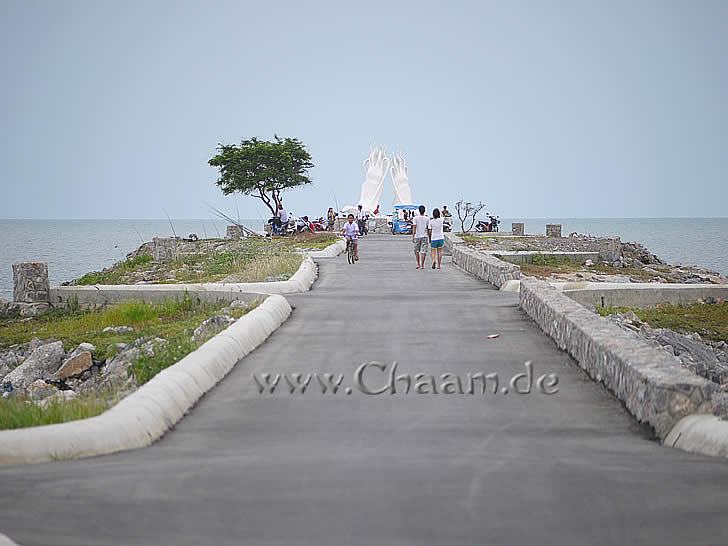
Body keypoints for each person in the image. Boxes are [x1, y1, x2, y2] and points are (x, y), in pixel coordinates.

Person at [412, 205, 429, 269]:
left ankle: (418, 264)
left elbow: (414, 227)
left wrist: (413, 236)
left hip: (417, 236)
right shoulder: (427, 218)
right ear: (424, 211)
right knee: (423, 251)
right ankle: (422, 265)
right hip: (425, 236)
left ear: (419, 211)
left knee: (416, 250)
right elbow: (428, 228)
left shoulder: (415, 218)